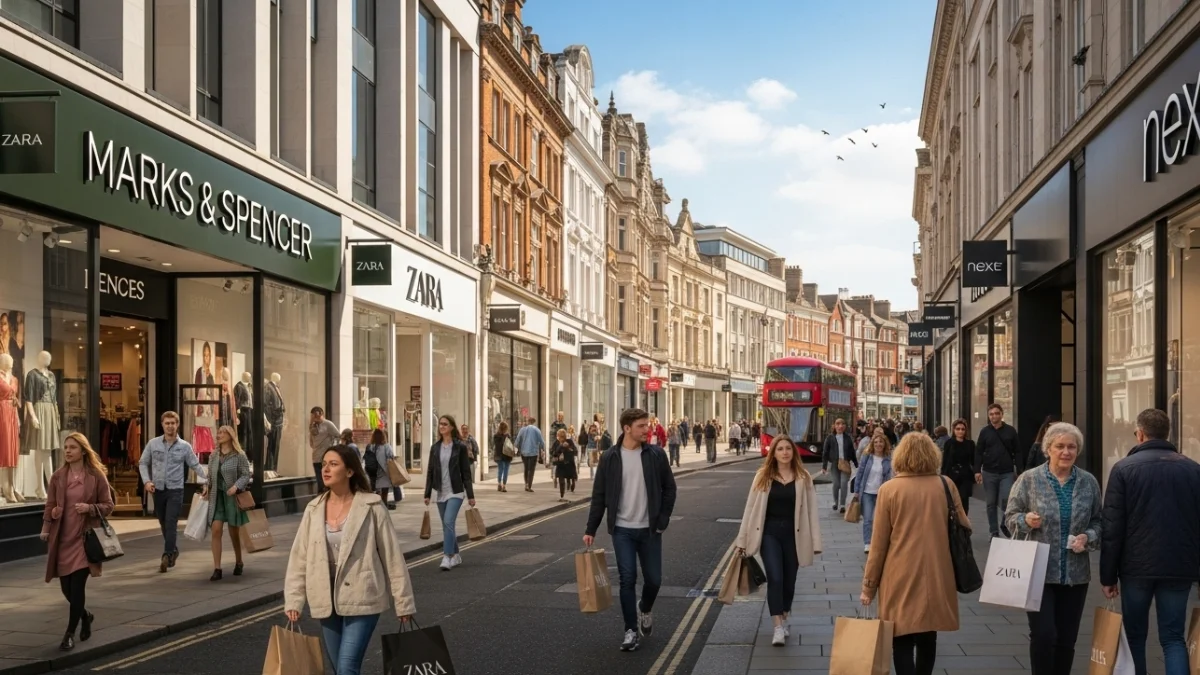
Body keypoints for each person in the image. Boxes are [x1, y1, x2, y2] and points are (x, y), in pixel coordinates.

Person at [284, 445, 416, 675]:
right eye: (324, 464)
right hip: (325, 598)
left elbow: (392, 556)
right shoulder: (313, 509)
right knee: (340, 670)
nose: (326, 469)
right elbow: (299, 558)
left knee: (346, 668)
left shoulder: (372, 506)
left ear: (350, 471)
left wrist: (403, 602)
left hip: (362, 595)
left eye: (333, 464)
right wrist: (294, 599)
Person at [1101, 408, 1200, 675]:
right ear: (1167, 433)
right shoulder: (1193, 470)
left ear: (1140, 434)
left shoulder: (1123, 469)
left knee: (1135, 636)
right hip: (1180, 567)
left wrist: (1108, 576)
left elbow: (1112, 527)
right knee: (1173, 637)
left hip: (1135, 567)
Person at [861, 433, 969, 675]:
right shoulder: (946, 484)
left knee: (901, 636)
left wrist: (868, 586)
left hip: (898, 573)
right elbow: (965, 525)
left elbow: (878, 544)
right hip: (937, 571)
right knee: (928, 634)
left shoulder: (889, 489)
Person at [1004, 422, 1100, 675]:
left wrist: (1087, 536)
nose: (1066, 452)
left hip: (1075, 574)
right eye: (1060, 446)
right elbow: (1010, 516)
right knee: (1044, 635)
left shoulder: (1088, 482)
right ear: (1048, 449)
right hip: (1037, 571)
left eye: (1071, 447)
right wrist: (1024, 521)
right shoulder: (1029, 479)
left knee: (1067, 640)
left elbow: (1099, 521)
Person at [584, 408, 677, 653]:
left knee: (654, 581)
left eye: (647, 425)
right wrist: (590, 528)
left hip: (650, 530)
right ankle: (630, 630)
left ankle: (645, 608)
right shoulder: (610, 457)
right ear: (627, 428)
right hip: (622, 529)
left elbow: (670, 488)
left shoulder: (656, 455)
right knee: (627, 579)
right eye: (642, 426)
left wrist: (663, 519)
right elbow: (599, 496)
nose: (648, 430)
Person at [734, 435, 822, 646]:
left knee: (789, 581)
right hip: (769, 534)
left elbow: (812, 512)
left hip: (794, 535)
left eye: (788, 449)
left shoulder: (803, 477)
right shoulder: (762, 477)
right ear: (773, 453)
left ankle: (784, 615)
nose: (784, 452)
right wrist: (742, 539)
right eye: (780, 449)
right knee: (775, 577)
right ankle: (777, 627)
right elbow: (750, 509)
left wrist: (816, 542)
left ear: (793, 452)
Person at [40, 432, 115, 651]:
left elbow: (108, 505)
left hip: (84, 541)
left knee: (77, 588)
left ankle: (69, 634)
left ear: (83, 450)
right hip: (62, 540)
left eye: (72, 447)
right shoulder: (58, 477)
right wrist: (48, 523)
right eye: (66, 447)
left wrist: (90, 508)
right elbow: (49, 505)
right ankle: (86, 615)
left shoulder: (95, 476)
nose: (68, 451)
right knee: (66, 590)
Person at [140, 410, 205, 573]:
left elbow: (195, 465)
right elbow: (143, 462)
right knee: (162, 521)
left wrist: (207, 481)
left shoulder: (184, 447)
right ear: (162, 425)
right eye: (167, 423)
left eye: (173, 423)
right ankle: (173, 549)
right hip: (158, 489)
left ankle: (167, 555)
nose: (170, 426)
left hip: (176, 489)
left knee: (171, 522)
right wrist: (147, 481)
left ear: (177, 425)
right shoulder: (153, 443)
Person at [422, 415, 476, 571]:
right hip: (440, 492)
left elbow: (466, 473)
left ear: (452, 427)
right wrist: (427, 493)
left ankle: (447, 556)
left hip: (456, 491)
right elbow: (431, 472)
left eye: (445, 424)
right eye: (440, 424)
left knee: (448, 522)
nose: (442, 426)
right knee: (447, 526)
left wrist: (471, 496)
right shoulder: (435, 447)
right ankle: (457, 555)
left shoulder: (460, 447)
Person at [203, 425, 251, 581]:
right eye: (218, 433)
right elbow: (209, 476)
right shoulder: (213, 455)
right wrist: (205, 487)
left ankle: (239, 561)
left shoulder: (239, 455)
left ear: (230, 435)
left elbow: (245, 474)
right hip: (217, 496)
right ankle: (217, 568)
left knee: (233, 532)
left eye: (223, 432)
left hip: (232, 498)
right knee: (216, 530)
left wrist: (236, 487)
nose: (219, 435)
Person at [974, 403, 1021, 538]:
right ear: (989, 416)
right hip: (989, 472)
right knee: (991, 503)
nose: (994, 416)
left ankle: (1004, 524)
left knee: (1007, 501)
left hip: (1006, 472)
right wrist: (977, 470)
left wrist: (1020, 469)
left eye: (996, 413)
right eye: (991, 414)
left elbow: (1017, 451)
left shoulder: (1010, 431)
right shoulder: (985, 432)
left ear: (1001, 414)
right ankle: (993, 531)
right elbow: (979, 452)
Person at [855, 432, 894, 553]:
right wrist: (856, 491)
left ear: (884, 444)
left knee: (881, 519)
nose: (878, 444)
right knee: (868, 518)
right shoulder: (867, 456)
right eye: (876, 442)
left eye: (881, 442)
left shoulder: (888, 458)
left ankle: (880, 541)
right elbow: (860, 473)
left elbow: (891, 476)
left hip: (882, 493)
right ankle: (868, 543)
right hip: (867, 492)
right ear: (872, 444)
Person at [820, 418, 857, 513]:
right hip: (835, 464)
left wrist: (856, 464)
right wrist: (824, 466)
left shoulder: (848, 438)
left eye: (842, 424)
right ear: (834, 426)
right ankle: (835, 502)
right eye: (838, 424)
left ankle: (842, 504)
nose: (840, 426)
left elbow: (852, 452)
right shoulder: (830, 438)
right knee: (836, 484)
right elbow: (825, 452)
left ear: (845, 426)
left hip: (845, 463)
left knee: (844, 483)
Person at [940, 419, 976, 516]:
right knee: (952, 501)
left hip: (965, 476)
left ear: (966, 431)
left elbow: (974, 461)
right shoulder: (949, 443)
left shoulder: (970, 444)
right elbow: (945, 461)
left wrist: (976, 473)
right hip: (952, 476)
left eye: (962, 429)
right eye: (958, 429)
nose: (960, 431)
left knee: (964, 501)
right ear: (954, 430)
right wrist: (943, 477)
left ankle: (964, 524)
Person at [365, 429, 399, 509]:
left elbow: (365, 459)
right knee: (384, 491)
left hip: (373, 472)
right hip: (383, 472)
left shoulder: (370, 446)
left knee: (375, 490)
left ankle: (376, 505)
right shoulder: (386, 446)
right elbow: (391, 456)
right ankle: (383, 506)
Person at [309, 407, 340, 493]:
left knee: (325, 481)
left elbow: (338, 435)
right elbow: (311, 443)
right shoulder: (312, 426)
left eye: (317, 415)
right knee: (319, 481)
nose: (315, 418)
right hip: (316, 457)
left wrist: (332, 448)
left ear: (321, 414)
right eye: (313, 416)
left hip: (325, 457)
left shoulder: (328, 424)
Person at [515, 416, 546, 492]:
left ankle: (526, 484)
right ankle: (529, 485)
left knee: (526, 468)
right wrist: (544, 449)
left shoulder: (522, 430)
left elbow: (517, 440)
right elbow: (541, 441)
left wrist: (515, 448)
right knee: (531, 469)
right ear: (534, 422)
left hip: (524, 452)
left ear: (528, 421)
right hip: (533, 452)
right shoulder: (537, 430)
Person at [551, 429, 578, 502]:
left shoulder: (569, 441)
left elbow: (575, 451)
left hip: (569, 464)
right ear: (558, 436)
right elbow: (553, 453)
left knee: (571, 477)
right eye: (560, 436)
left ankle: (573, 484)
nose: (561, 438)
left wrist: (568, 447)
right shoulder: (556, 443)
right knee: (561, 481)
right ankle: (562, 495)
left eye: (563, 436)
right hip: (560, 465)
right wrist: (560, 446)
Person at [492, 421, 513, 492]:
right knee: (505, 470)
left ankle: (499, 484)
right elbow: (509, 445)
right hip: (506, 455)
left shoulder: (496, 436)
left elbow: (496, 446)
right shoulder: (506, 436)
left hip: (500, 455)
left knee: (501, 469)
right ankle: (503, 485)